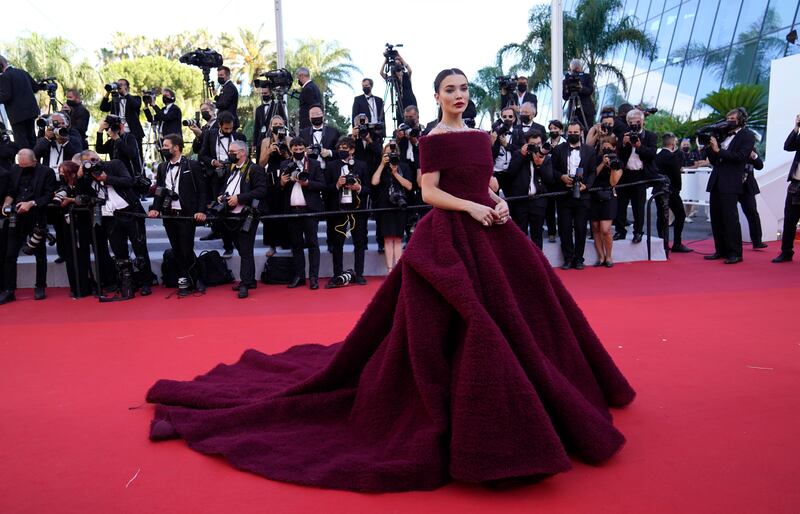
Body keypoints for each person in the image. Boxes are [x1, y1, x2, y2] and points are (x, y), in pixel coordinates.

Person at [146, 67, 634, 492]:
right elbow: (431, 192)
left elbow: (485, 179)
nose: (459, 95)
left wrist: (497, 199)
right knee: (468, 323)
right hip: (452, 237)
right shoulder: (431, 140)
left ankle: (543, 393)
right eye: (450, 89)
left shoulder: (481, 135)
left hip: (493, 232)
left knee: (528, 313)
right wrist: (474, 207)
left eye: (464, 88)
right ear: (436, 95)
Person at [81, 150, 155, 295]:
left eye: (94, 159)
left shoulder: (114, 164)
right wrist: (82, 173)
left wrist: (107, 178)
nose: (93, 164)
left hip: (130, 212)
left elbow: (129, 181)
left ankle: (146, 281)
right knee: (119, 251)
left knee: (139, 248)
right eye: (88, 162)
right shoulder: (87, 176)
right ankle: (128, 281)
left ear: (99, 156)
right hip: (110, 217)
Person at [147, 134, 207, 296]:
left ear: (176, 147)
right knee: (177, 249)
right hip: (169, 214)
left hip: (187, 214)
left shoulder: (192, 165)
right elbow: (159, 190)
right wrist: (155, 208)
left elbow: (202, 190)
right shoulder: (162, 167)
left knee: (186, 248)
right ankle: (184, 279)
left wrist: (201, 210)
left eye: (166, 146)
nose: (163, 149)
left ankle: (197, 278)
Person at [0, 149, 57, 304]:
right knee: (10, 254)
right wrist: (7, 203)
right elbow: (11, 191)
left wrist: (31, 203)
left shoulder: (47, 172)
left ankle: (40, 286)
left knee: (40, 255)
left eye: (26, 165)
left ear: (34, 161)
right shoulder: (15, 169)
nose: (23, 168)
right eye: (21, 165)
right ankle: (9, 289)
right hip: (16, 217)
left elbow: (49, 195)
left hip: (36, 217)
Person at [215, 140, 267, 298]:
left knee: (245, 250)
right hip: (231, 215)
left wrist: (240, 198)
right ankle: (250, 279)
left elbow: (262, 190)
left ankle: (245, 283)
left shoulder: (255, 169)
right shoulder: (231, 169)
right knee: (243, 249)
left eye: (233, 152)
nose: (230, 154)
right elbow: (227, 187)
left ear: (243, 152)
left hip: (247, 214)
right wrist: (221, 196)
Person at [704, 108, 755, 265]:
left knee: (730, 218)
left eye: (732, 118)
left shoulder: (747, 135)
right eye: (727, 118)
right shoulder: (723, 134)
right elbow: (714, 160)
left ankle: (735, 253)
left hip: (731, 181)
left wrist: (719, 151)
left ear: (740, 119)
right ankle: (721, 250)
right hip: (716, 180)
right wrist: (710, 148)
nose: (728, 121)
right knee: (717, 217)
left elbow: (740, 158)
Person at [324, 136, 370, 286]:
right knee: (337, 243)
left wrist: (359, 188)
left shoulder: (362, 166)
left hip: (357, 210)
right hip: (339, 210)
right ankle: (338, 274)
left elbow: (369, 188)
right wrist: (337, 184)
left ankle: (360, 274)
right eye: (340, 148)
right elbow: (325, 189)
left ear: (352, 150)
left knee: (359, 242)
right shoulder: (331, 166)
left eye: (346, 148)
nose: (343, 151)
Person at [280, 137, 325, 290]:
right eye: (295, 149)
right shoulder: (285, 164)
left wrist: (307, 183)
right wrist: (282, 182)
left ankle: (313, 277)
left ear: (305, 149)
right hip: (292, 211)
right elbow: (277, 189)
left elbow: (322, 185)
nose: (298, 151)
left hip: (310, 210)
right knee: (296, 245)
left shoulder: (314, 164)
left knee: (313, 244)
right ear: (291, 149)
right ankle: (299, 276)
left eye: (301, 149)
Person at [552, 121, 597, 270]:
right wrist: (561, 177)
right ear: (566, 133)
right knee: (564, 228)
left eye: (575, 132)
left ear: (581, 133)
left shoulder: (590, 151)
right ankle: (567, 258)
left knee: (580, 228)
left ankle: (579, 259)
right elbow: (552, 169)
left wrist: (587, 186)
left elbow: (592, 172)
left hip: (583, 195)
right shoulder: (558, 150)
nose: (572, 135)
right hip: (564, 194)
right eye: (570, 133)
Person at [614, 109, 657, 244]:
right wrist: (623, 143)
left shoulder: (650, 136)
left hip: (640, 174)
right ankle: (620, 231)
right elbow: (618, 155)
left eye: (637, 122)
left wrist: (639, 146)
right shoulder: (623, 135)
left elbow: (652, 154)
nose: (635, 125)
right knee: (621, 205)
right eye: (632, 123)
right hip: (624, 174)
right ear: (627, 123)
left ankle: (638, 232)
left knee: (639, 206)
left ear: (642, 122)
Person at [506, 131, 554, 248]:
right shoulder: (518, 154)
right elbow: (510, 174)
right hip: (520, 201)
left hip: (538, 201)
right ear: (526, 144)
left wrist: (539, 165)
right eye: (533, 144)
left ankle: (538, 264)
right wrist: (522, 156)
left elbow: (550, 180)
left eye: (539, 143)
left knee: (537, 235)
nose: (536, 146)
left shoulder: (546, 158)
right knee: (520, 235)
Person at [371, 143, 413, 272]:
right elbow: (374, 182)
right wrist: (382, 164)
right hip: (385, 205)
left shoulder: (404, 167)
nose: (390, 155)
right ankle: (390, 270)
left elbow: (409, 186)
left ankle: (399, 269)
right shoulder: (381, 167)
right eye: (387, 153)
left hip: (400, 204)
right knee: (388, 238)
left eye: (392, 152)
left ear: (398, 153)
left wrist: (395, 173)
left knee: (398, 238)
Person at [258, 115, 292, 256]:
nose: (278, 126)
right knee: (271, 211)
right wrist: (269, 151)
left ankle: (287, 242)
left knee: (286, 209)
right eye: (275, 124)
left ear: (284, 125)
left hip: (286, 176)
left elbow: (292, 159)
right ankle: (272, 245)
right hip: (271, 179)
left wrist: (284, 151)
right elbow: (260, 164)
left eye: (280, 123)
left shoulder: (289, 139)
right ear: (271, 127)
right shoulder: (266, 141)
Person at [654, 133, 692, 253]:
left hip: (658, 190)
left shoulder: (657, 156)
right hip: (671, 191)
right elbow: (676, 175)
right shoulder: (673, 157)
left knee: (661, 217)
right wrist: (677, 189)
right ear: (672, 144)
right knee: (680, 215)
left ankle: (662, 243)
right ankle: (677, 243)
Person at [590, 136, 623, 267]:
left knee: (605, 229)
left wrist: (612, 168)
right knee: (595, 227)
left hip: (608, 197)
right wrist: (603, 163)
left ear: (614, 148)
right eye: (604, 148)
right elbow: (592, 176)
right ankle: (601, 257)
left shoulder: (619, 162)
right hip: (594, 196)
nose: (606, 150)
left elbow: (613, 182)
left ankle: (609, 256)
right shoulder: (596, 160)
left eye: (609, 148)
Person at [773, 114, 800, 263]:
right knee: (789, 220)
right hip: (796, 185)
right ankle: (786, 252)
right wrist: (796, 127)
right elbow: (788, 146)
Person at [0, 55, 42, 149]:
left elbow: (6, 95)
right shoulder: (22, 72)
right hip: (31, 112)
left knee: (21, 142)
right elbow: (35, 88)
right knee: (32, 139)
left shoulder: (5, 76)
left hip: (17, 115)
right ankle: (34, 160)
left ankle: (27, 162)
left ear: (1, 65)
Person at [99, 78, 145, 156]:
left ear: (127, 87)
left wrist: (125, 93)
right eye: (117, 84)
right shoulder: (115, 100)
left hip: (133, 133)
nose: (118, 86)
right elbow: (103, 108)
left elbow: (136, 105)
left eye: (121, 84)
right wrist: (108, 92)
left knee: (136, 156)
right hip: (117, 133)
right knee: (119, 156)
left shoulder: (135, 98)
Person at [252, 84, 288, 163]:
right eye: (262, 93)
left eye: (265, 93)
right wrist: (254, 143)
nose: (263, 95)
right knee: (260, 162)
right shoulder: (259, 109)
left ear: (271, 93)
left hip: (274, 138)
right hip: (261, 140)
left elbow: (284, 121)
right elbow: (256, 127)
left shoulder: (277, 105)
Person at [739, 150, 767, 249]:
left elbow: (760, 166)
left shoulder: (752, 152)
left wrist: (754, 156)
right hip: (732, 185)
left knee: (753, 213)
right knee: (729, 214)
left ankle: (757, 241)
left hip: (747, 187)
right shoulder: (733, 148)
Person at [380, 51, 417, 122]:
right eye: (396, 63)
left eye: (399, 63)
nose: (398, 64)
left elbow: (410, 70)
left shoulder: (406, 75)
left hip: (410, 99)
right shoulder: (393, 78)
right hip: (400, 102)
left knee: (412, 119)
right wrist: (386, 59)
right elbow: (381, 73)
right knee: (401, 121)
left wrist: (399, 56)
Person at [562, 59, 595, 131]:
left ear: (580, 68)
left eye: (577, 69)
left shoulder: (586, 77)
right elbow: (565, 97)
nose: (575, 72)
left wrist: (581, 88)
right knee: (573, 131)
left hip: (586, 110)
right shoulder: (567, 80)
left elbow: (590, 90)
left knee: (588, 130)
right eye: (573, 70)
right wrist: (567, 87)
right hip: (573, 111)